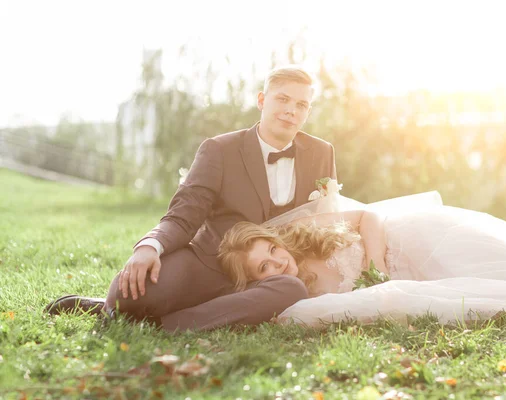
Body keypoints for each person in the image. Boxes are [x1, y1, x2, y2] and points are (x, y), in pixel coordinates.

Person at [45, 65, 338, 331]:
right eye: (283, 100)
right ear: (262, 101)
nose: (291, 111)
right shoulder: (219, 149)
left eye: (301, 105)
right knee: (125, 296)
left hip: (276, 272)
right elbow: (186, 211)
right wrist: (150, 246)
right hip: (212, 264)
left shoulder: (322, 152)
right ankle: (119, 307)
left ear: (307, 112)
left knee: (293, 290)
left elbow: (327, 218)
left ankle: (166, 323)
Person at [217, 202, 506, 326]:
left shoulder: (301, 232)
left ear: (275, 240)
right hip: (419, 276)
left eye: (271, 250)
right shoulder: (298, 296)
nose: (276, 262)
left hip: (421, 241)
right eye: (263, 268)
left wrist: (378, 264)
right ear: (254, 281)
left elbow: (367, 217)